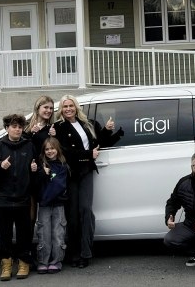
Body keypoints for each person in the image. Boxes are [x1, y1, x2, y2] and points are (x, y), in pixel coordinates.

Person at [52, 94, 121, 268]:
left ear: (76, 107)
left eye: (71, 106)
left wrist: (106, 129)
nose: (68, 109)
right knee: (72, 215)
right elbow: (64, 152)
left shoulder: (88, 124)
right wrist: (87, 155)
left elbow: (99, 143)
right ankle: (73, 253)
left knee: (85, 210)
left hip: (86, 172)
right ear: (61, 109)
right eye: (65, 106)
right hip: (70, 174)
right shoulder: (58, 127)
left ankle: (86, 253)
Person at [0, 114, 38, 281]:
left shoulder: (29, 145)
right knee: (5, 234)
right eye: (13, 126)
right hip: (4, 198)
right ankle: (6, 264)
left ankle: (24, 263)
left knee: (24, 233)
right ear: (6, 128)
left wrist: (35, 167)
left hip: (24, 197)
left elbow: (38, 163)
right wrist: (0, 165)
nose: (17, 129)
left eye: (20, 126)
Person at [34, 137, 69, 274]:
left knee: (57, 233)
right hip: (44, 206)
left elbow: (59, 185)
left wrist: (45, 198)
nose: (50, 151)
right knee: (44, 233)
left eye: (52, 148)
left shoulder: (62, 166)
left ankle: (56, 261)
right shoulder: (41, 165)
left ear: (58, 149)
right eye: (47, 149)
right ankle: (43, 261)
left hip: (57, 204)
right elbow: (36, 185)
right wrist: (43, 174)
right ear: (43, 151)